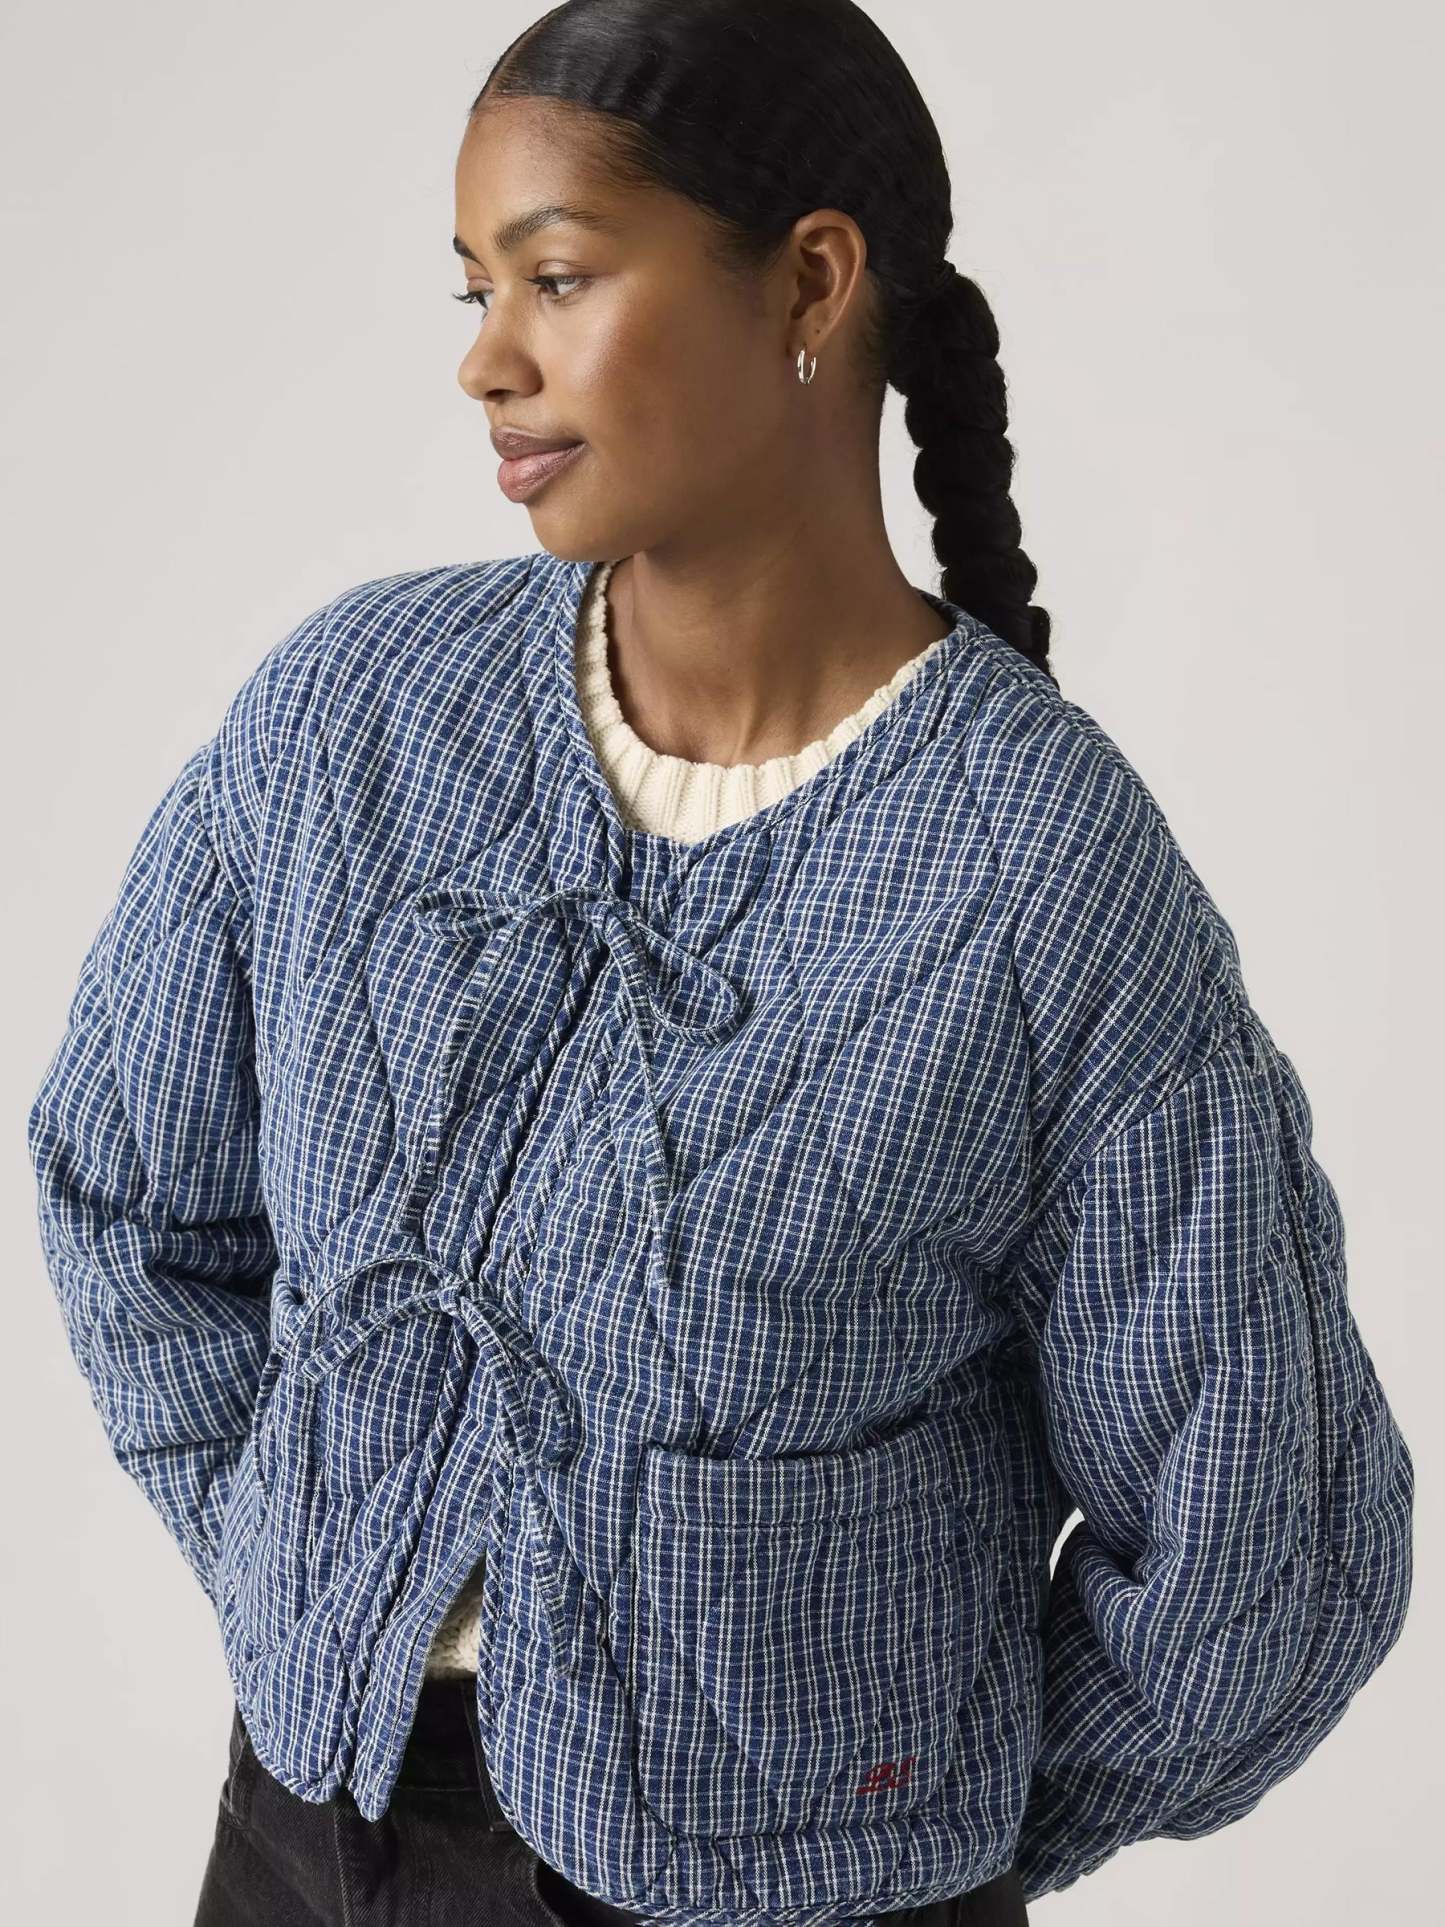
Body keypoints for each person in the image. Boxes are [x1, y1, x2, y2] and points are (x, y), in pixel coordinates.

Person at [26, 4, 1412, 1925]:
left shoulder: (1039, 879)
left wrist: (905, 1834)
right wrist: (307, 1581)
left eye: (558, 278)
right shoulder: (353, 722)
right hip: (302, 1840)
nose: (486, 359)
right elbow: (122, 1187)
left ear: (811, 285)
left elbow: (1266, 1548)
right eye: (474, 290)